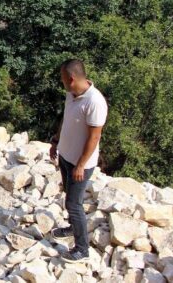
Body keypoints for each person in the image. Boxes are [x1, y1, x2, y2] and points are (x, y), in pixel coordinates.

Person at [49, 59, 108, 263]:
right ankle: (73, 227)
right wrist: (56, 141)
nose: (61, 81)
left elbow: (94, 137)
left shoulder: (95, 102)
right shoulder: (72, 94)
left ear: (71, 78)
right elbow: (66, 119)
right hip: (66, 156)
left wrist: (81, 164)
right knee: (69, 195)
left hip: (80, 164)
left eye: (63, 78)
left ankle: (82, 249)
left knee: (74, 204)